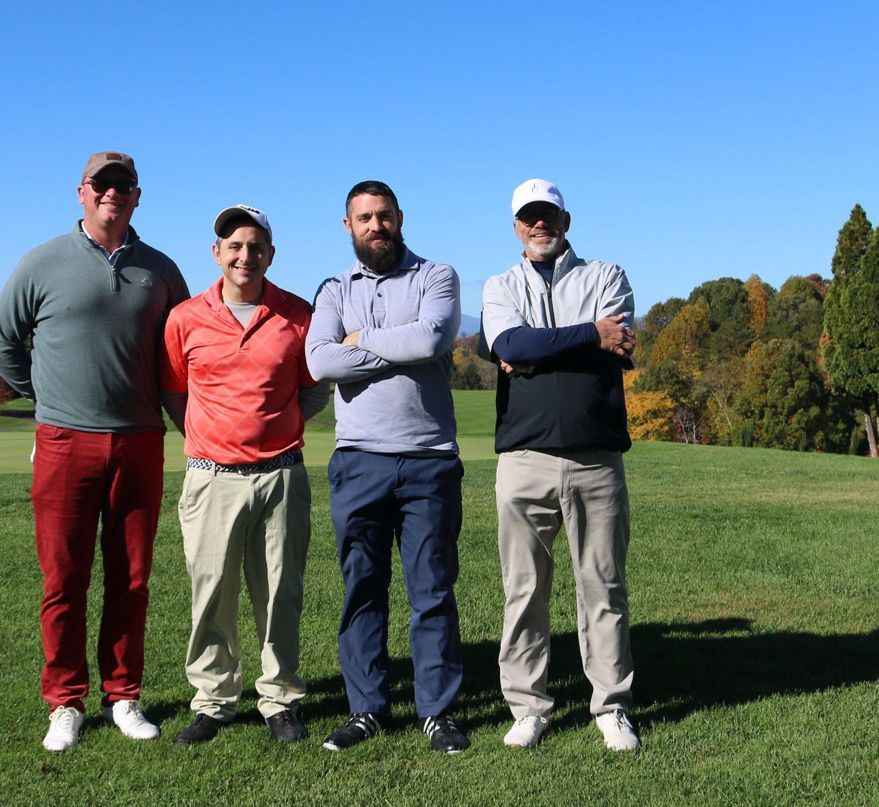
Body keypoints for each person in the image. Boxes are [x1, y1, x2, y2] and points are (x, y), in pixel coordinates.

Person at [0, 151, 190, 752]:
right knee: (64, 577)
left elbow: (180, 348)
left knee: (132, 578)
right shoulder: (41, 262)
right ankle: (65, 702)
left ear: (137, 195)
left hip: (138, 440)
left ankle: (123, 695)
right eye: (102, 185)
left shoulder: (160, 270)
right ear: (81, 192)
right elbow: (2, 347)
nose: (112, 194)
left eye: (123, 186)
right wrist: (48, 397)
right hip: (63, 441)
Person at [305, 180, 469, 754]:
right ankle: (367, 708)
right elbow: (321, 359)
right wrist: (383, 346)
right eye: (364, 218)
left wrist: (361, 343)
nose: (376, 226)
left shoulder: (436, 276)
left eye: (384, 216)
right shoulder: (333, 289)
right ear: (347, 225)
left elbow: (430, 338)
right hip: (358, 462)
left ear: (401, 217)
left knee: (431, 591)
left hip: (428, 462)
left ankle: (438, 712)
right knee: (362, 590)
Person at [480, 178, 640, 752]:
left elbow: (602, 344)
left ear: (565, 220)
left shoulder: (606, 275)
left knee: (603, 587)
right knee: (523, 591)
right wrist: (588, 335)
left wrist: (536, 348)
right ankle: (528, 706)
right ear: (516, 226)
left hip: (596, 458)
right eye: (529, 217)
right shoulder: (500, 284)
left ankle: (611, 705)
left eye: (548, 215)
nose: (539, 225)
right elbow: (512, 346)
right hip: (523, 459)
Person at [161, 204, 328, 745]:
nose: (245, 256)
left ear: (271, 255)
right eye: (234, 246)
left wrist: (274, 427)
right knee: (211, 593)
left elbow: (314, 386)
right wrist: (213, 438)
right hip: (211, 478)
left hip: (281, 476)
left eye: (255, 247)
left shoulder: (297, 314)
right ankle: (214, 700)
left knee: (280, 593)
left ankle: (279, 697)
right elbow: (174, 392)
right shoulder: (185, 317)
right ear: (216, 253)